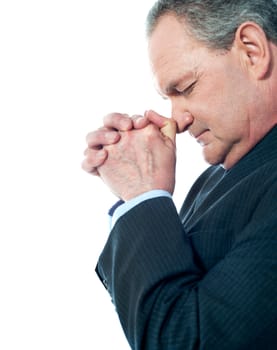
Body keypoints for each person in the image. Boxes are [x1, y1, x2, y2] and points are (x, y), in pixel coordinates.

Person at [82, 1, 277, 348]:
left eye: (185, 89)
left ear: (252, 50)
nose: (178, 120)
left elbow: (186, 340)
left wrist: (142, 197)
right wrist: (139, 199)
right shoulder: (215, 178)